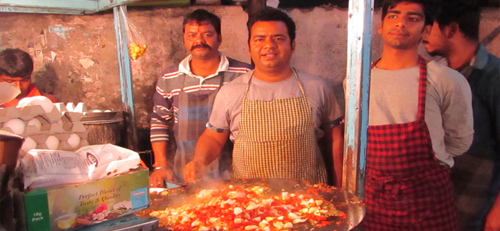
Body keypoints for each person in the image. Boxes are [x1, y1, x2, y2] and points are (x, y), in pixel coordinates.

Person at [183, 7, 344, 186]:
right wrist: (199, 161)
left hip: (309, 201)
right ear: (249, 48)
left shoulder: (317, 88)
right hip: (249, 203)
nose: (268, 45)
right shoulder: (231, 92)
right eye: (260, 39)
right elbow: (213, 136)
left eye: (278, 39)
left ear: (293, 45)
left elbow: (336, 139)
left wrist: (340, 187)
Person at [364, 0, 474, 230]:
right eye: (393, 16)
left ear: (426, 30)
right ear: (381, 26)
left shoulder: (446, 79)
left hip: (429, 200)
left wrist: (421, 171)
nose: (401, 24)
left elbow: (460, 142)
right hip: (375, 202)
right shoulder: (357, 81)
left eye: (413, 18)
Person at [149, 9, 253, 187]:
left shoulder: (244, 74)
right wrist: (160, 166)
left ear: (219, 38)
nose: (199, 41)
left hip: (234, 174)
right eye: (192, 35)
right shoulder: (169, 77)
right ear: (184, 39)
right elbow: (159, 122)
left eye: (207, 34)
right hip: (183, 174)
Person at [422, 2, 500, 230]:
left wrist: (497, 213)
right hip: (443, 202)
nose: (424, 33)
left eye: (430, 25)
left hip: (477, 205)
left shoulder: (492, 76)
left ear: (452, 29)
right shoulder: (439, 76)